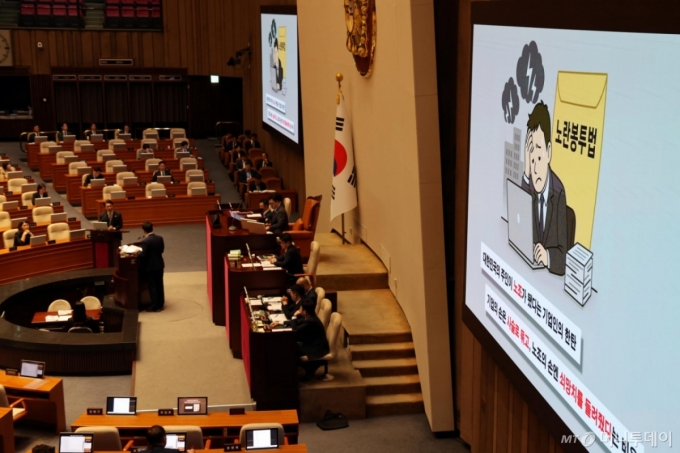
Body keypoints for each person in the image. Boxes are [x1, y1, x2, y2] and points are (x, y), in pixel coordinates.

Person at [521, 101, 568, 276]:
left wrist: (547, 257)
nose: (535, 166)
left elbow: (564, 258)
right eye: (531, 158)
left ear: (548, 152)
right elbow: (522, 228)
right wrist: (526, 173)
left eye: (539, 155)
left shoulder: (558, 193)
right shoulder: (530, 188)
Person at [272, 299, 329, 376]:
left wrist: (294, 316)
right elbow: (297, 322)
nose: (299, 310)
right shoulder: (310, 316)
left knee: (291, 349)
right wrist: (279, 323)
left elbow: (295, 329)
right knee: (290, 346)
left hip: (316, 348)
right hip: (313, 343)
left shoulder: (311, 321)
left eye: (300, 308)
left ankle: (301, 370)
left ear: (304, 311)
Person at [138, 222, 165, 312]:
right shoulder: (160, 238)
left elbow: (144, 255)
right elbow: (161, 250)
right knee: (159, 285)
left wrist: (138, 252)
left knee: (152, 286)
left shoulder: (146, 241)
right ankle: (161, 304)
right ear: (153, 228)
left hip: (150, 267)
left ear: (144, 231)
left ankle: (155, 306)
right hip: (159, 265)